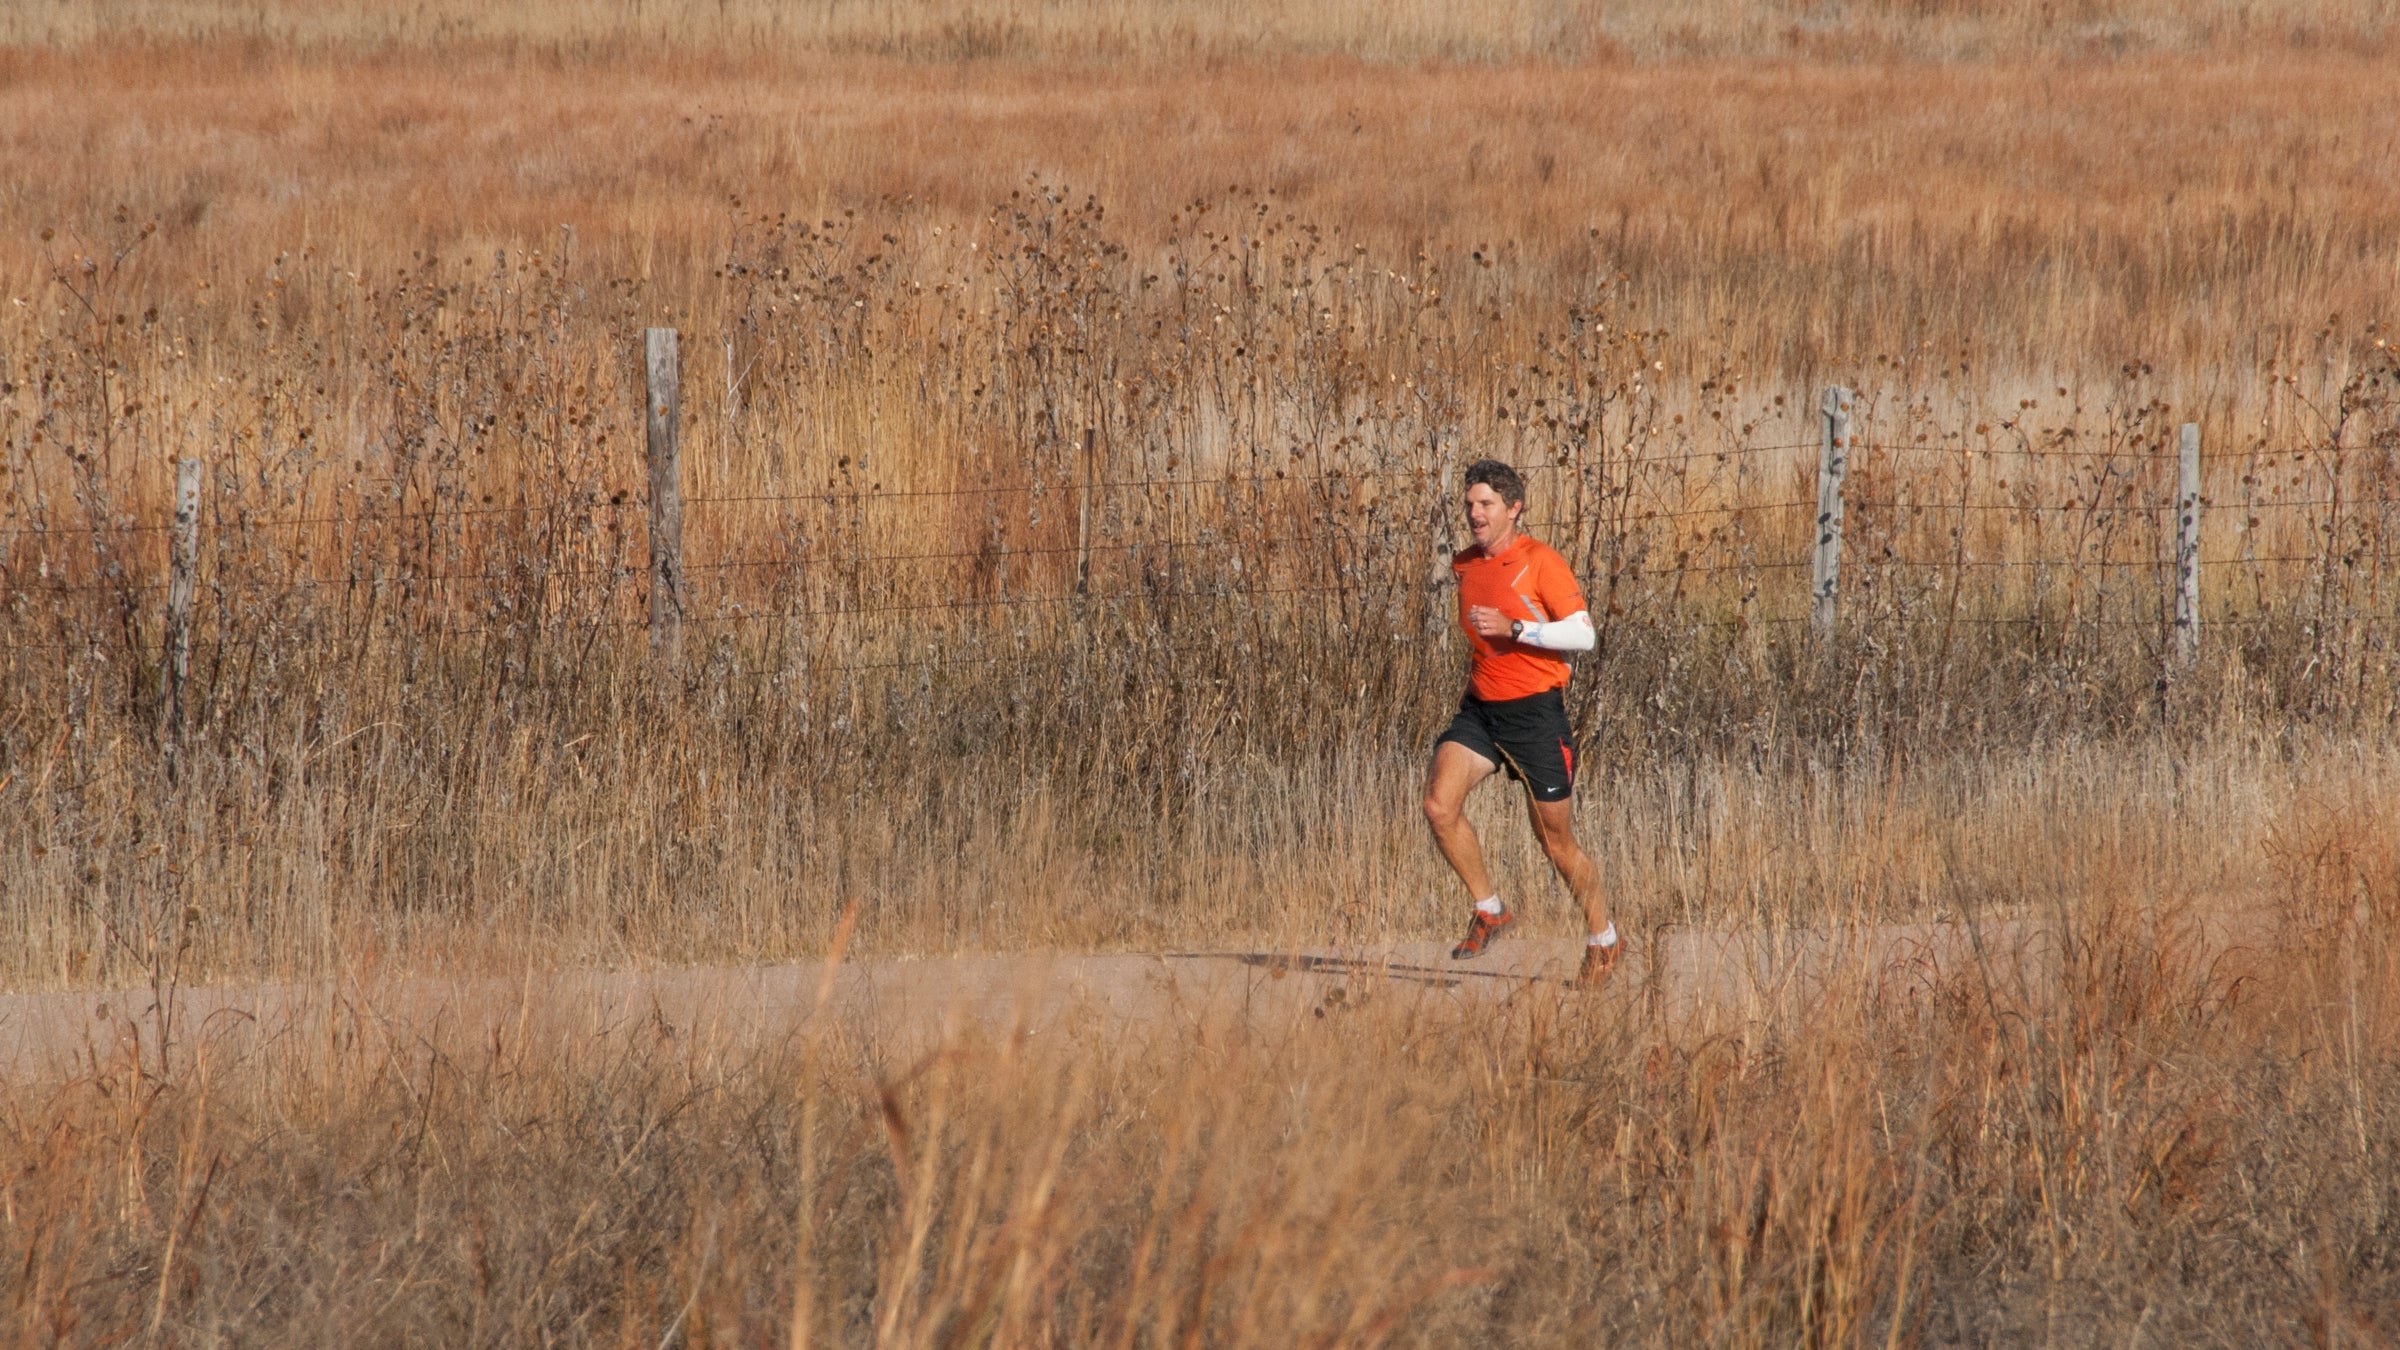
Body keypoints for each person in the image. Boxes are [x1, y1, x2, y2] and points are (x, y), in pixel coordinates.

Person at [1423, 459, 1617, 986]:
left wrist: (1517, 628)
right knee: (1439, 806)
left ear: (1514, 508)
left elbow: (1583, 635)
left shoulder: (1539, 560)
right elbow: (1477, 637)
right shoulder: (1464, 564)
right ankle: (1490, 909)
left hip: (1535, 714)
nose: (1474, 514)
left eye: (1485, 504)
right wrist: (1475, 680)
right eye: (1468, 504)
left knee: (1556, 845)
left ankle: (1604, 941)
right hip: (1482, 711)